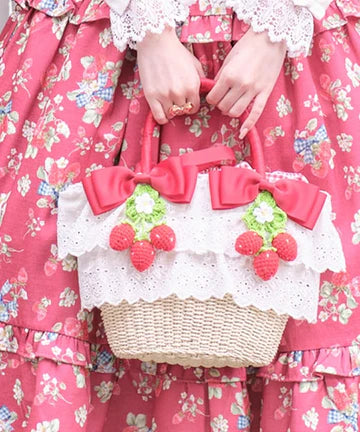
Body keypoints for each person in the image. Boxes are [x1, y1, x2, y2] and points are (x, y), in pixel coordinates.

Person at [0, 0, 359, 431]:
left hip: (289, 54)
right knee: (51, 279)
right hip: (106, 38)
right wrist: (149, 26)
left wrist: (276, 27)